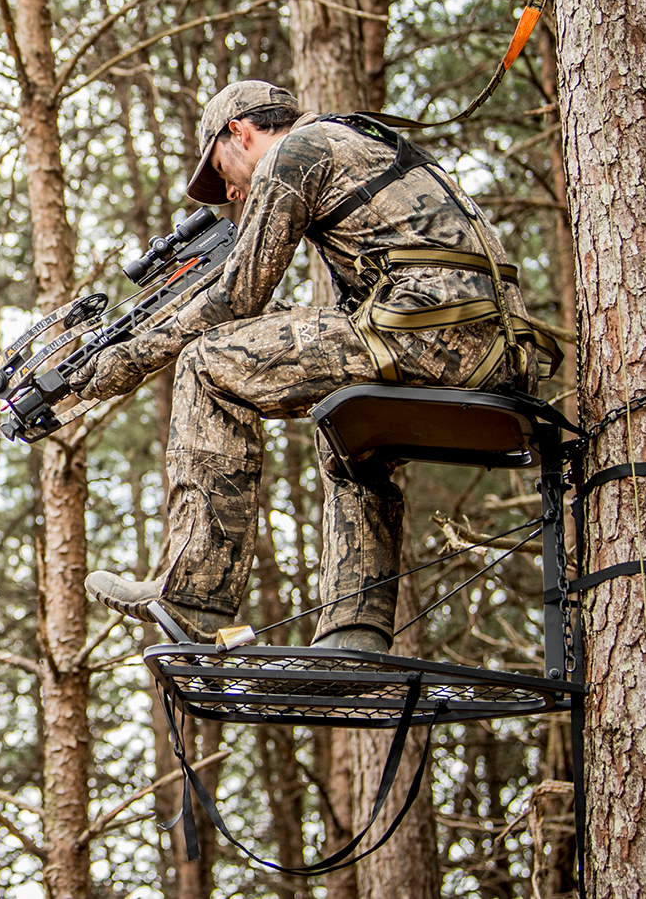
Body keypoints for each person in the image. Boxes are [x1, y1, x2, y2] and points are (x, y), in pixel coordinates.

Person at [68, 80, 544, 653]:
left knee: (207, 363)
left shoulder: (297, 151)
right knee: (347, 434)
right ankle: (355, 634)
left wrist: (123, 361)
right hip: (499, 356)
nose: (232, 193)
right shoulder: (363, 144)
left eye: (223, 172)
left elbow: (237, 298)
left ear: (239, 132)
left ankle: (194, 596)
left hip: (428, 335)